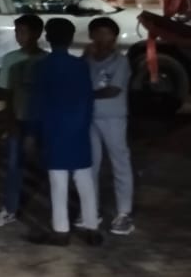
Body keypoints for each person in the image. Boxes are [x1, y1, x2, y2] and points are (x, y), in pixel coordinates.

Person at [30, 18, 103, 246]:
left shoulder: (43, 66)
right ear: (71, 39)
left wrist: (34, 132)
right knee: (85, 179)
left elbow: (38, 103)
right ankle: (92, 227)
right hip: (78, 128)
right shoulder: (80, 66)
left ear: (47, 37)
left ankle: (61, 230)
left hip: (54, 129)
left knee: (58, 182)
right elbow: (88, 99)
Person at [0, 14, 46, 227]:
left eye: (23, 32)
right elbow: (6, 93)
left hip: (41, 121)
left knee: (49, 165)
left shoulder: (46, 60)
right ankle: (10, 208)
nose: (19, 36)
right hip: (19, 119)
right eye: (17, 32)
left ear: (37, 34)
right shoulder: (10, 59)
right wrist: (9, 121)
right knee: (14, 165)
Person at [86, 17, 134, 235]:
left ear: (114, 37)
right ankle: (91, 209)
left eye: (106, 34)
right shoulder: (88, 59)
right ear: (91, 35)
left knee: (119, 163)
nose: (102, 38)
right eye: (98, 33)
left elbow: (113, 90)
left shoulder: (120, 61)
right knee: (91, 166)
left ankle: (123, 213)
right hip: (90, 118)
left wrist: (85, 95)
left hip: (113, 118)